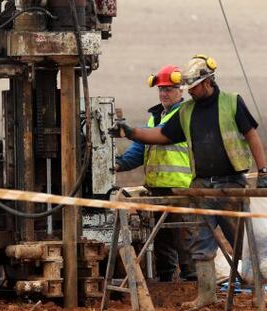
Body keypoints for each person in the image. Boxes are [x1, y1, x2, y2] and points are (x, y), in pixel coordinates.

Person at [109, 54, 267, 310]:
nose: (189, 91)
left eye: (193, 86)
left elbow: (251, 135)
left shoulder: (231, 103)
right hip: (201, 185)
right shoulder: (187, 111)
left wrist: (263, 171)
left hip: (230, 183)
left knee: (242, 240)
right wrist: (132, 132)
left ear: (208, 82)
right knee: (200, 241)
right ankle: (206, 294)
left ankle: (259, 294)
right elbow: (162, 135)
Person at [116, 64, 195, 282]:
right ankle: (166, 276)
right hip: (157, 187)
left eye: (169, 89)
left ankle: (192, 277)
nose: (163, 93)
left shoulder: (186, 114)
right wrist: (117, 164)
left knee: (184, 233)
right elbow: (139, 151)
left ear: (181, 90)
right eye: (161, 89)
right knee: (161, 235)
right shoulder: (155, 118)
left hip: (181, 186)